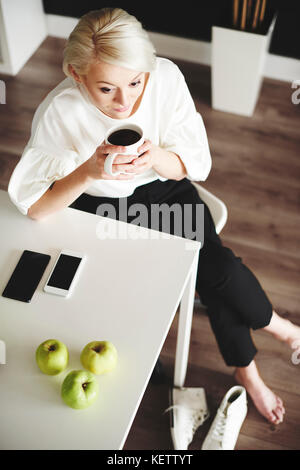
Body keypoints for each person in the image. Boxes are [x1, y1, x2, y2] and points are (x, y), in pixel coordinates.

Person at [8, 7, 300, 425]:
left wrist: (157, 157)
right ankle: (262, 347)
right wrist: (89, 171)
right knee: (139, 290)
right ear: (76, 74)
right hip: (99, 205)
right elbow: (36, 206)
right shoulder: (60, 112)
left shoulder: (164, 78)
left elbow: (192, 164)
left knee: (215, 268)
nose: (125, 102)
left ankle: (267, 339)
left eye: (134, 82)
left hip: (163, 189)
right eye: (106, 89)